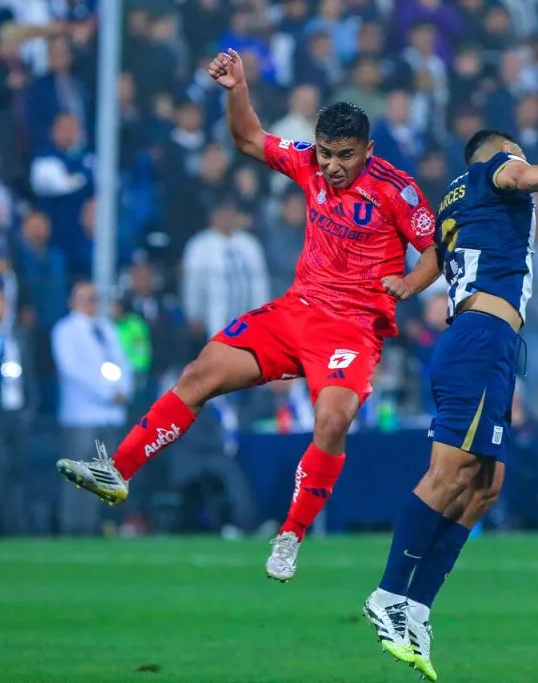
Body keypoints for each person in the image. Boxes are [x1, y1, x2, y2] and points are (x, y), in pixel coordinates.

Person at [56, 49, 441, 577]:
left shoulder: (396, 189)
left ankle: (290, 535)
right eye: (326, 152)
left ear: (368, 150)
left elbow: (436, 249)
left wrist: (410, 284)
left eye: (344, 155)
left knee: (332, 419)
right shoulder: (308, 163)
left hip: (351, 327)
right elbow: (249, 139)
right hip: (295, 310)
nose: (330, 165)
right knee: (199, 373)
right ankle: (117, 471)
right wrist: (237, 89)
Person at [363, 129, 538, 681]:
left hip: (488, 343)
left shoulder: (456, 202)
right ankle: (388, 594)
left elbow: (433, 264)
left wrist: (400, 287)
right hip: (482, 338)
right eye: (515, 151)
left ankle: (416, 608)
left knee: (486, 485)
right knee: (451, 471)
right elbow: (519, 173)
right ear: (499, 151)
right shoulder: (498, 171)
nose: (521, 160)